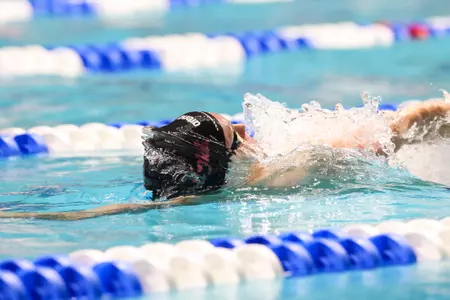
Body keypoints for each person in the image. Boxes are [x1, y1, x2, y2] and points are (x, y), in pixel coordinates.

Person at [0, 99, 449, 221]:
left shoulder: (198, 198)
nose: (251, 128)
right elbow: (401, 125)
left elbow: (133, 207)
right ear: (230, 154)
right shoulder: (309, 160)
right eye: (238, 130)